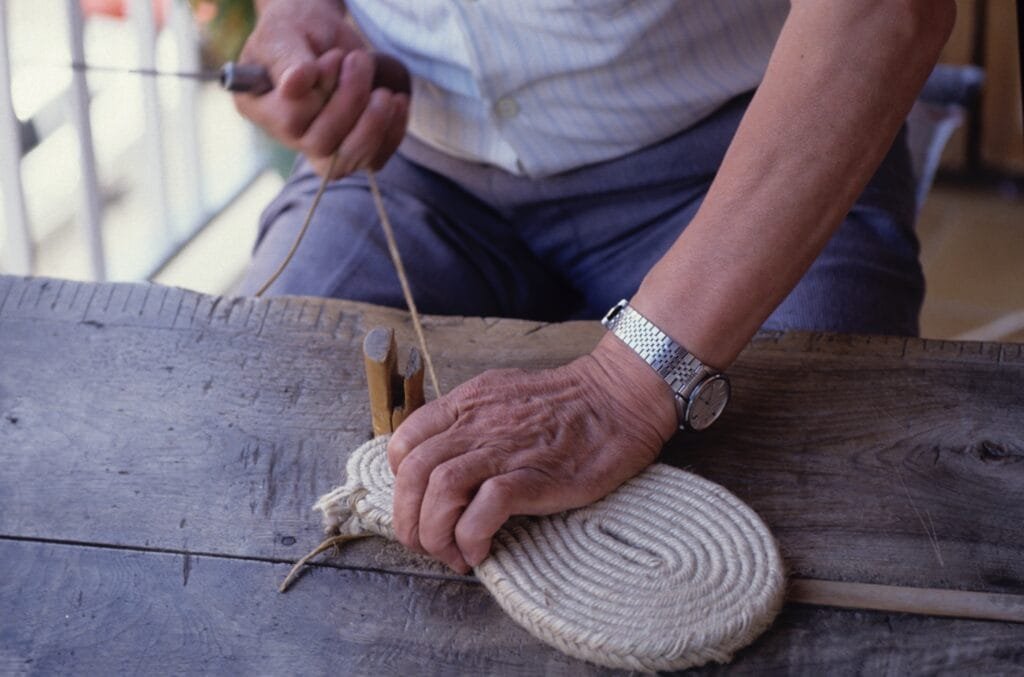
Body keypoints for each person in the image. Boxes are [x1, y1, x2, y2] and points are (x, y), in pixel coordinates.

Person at [234, 0, 956, 574]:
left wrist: (626, 386)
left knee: (821, 505)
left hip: (740, 158)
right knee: (272, 432)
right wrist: (295, 11)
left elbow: (883, 12)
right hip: (412, 155)